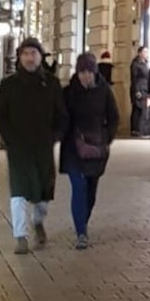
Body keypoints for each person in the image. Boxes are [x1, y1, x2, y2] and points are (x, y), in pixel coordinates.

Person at [0, 36, 67, 255]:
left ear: (40, 56)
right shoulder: (9, 84)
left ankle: (38, 221)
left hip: (43, 146)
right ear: (19, 57)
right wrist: (9, 138)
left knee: (43, 193)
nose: (29, 58)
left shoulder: (51, 83)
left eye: (33, 53)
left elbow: (62, 114)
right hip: (18, 148)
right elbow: (0, 116)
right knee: (19, 192)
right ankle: (21, 236)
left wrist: (55, 135)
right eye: (25, 54)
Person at [60, 53, 119, 249]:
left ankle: (83, 221)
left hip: (95, 148)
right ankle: (81, 232)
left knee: (91, 191)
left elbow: (114, 117)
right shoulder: (68, 92)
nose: (85, 76)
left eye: (89, 72)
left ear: (95, 73)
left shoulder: (104, 92)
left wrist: (106, 139)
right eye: (82, 72)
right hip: (72, 149)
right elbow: (61, 117)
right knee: (78, 187)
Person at [129, 46, 150, 137]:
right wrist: (136, 90)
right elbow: (134, 78)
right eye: (145, 52)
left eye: (147, 52)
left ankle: (140, 129)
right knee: (137, 109)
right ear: (139, 53)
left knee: (142, 109)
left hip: (145, 88)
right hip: (138, 88)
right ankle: (135, 129)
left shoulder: (145, 64)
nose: (146, 54)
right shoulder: (135, 64)